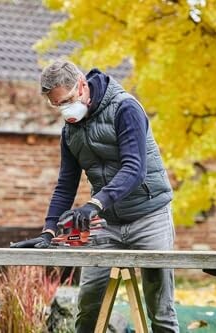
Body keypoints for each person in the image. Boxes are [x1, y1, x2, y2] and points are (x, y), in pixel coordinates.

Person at [10, 59, 179, 332]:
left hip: (149, 215)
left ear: (81, 85)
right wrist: (48, 232)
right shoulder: (70, 131)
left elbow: (134, 169)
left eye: (66, 100)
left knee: (161, 312)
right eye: (57, 105)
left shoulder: (125, 108)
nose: (64, 109)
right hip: (106, 223)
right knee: (88, 308)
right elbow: (66, 184)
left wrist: (94, 204)